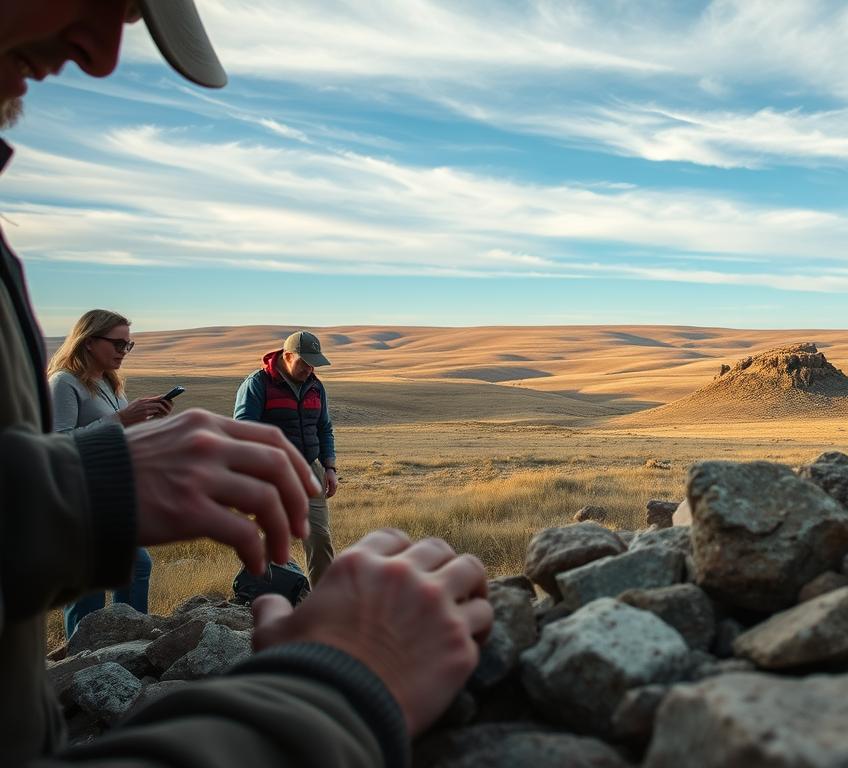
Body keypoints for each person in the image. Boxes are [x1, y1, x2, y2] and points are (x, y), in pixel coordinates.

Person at [0, 3, 492, 766]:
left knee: (298, 540)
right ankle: (246, 596)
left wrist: (79, 490)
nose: (102, 57)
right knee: (234, 557)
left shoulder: (311, 390)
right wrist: (329, 690)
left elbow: (321, 424)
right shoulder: (240, 385)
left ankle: (297, 586)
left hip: (296, 480)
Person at [48, 309, 170, 639]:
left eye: (128, 346)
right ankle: (79, 666)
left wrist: (143, 423)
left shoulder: (108, 383)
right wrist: (120, 420)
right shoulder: (64, 383)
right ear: (88, 342)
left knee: (135, 567)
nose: (123, 352)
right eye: (117, 344)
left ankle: (129, 645)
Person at [234, 330, 339, 586]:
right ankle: (266, 595)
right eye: (304, 362)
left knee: (320, 537)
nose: (310, 369)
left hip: (310, 470)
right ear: (288, 355)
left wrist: (329, 466)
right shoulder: (258, 383)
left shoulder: (316, 386)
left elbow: (324, 428)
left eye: (314, 363)